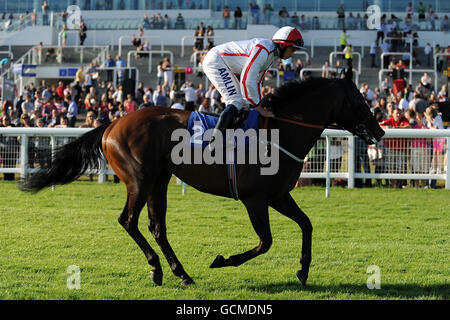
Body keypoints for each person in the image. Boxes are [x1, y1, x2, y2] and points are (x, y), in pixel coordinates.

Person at [202, 26, 304, 141]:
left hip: (221, 62)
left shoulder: (271, 55)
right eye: (292, 50)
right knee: (236, 101)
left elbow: (257, 81)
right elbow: (247, 79)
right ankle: (214, 140)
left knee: (244, 105)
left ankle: (228, 138)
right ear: (282, 45)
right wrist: (259, 108)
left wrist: (259, 103)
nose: (292, 54)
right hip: (215, 61)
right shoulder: (264, 49)